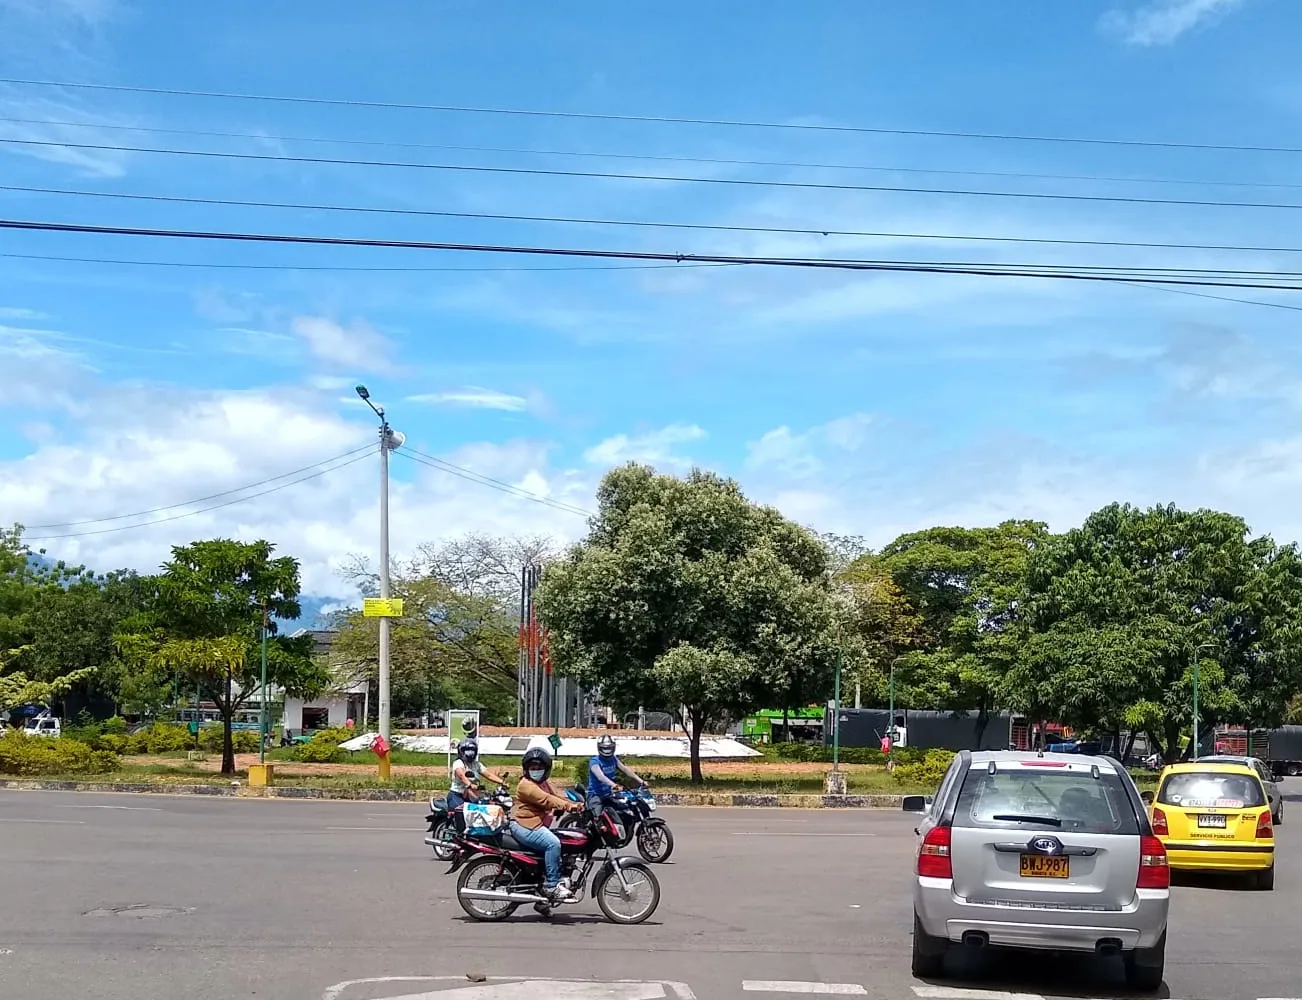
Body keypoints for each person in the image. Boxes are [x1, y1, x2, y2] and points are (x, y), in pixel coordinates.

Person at [511, 747, 582, 901]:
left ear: (546, 769)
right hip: (524, 825)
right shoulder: (526, 785)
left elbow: (558, 794)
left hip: (535, 824)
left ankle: (542, 900)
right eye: (532, 768)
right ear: (526, 769)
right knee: (553, 844)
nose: (536, 771)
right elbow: (547, 799)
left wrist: (578, 802)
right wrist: (569, 807)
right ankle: (552, 885)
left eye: (539, 768)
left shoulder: (544, 782)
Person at [586, 734, 646, 816]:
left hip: (609, 794)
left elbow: (625, 770)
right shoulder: (594, 761)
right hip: (595, 795)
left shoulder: (613, 759)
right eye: (605, 748)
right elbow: (601, 777)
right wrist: (614, 785)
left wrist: (641, 781)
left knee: (625, 811)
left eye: (609, 748)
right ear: (599, 747)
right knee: (599, 818)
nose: (607, 750)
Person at [447, 738, 506, 812]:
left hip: (472, 795)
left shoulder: (476, 764)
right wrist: (469, 784)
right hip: (457, 795)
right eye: (466, 749)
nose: (470, 752)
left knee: (483, 810)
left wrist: (502, 782)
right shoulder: (458, 762)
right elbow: (461, 775)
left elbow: (488, 775)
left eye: (472, 750)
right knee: (461, 812)